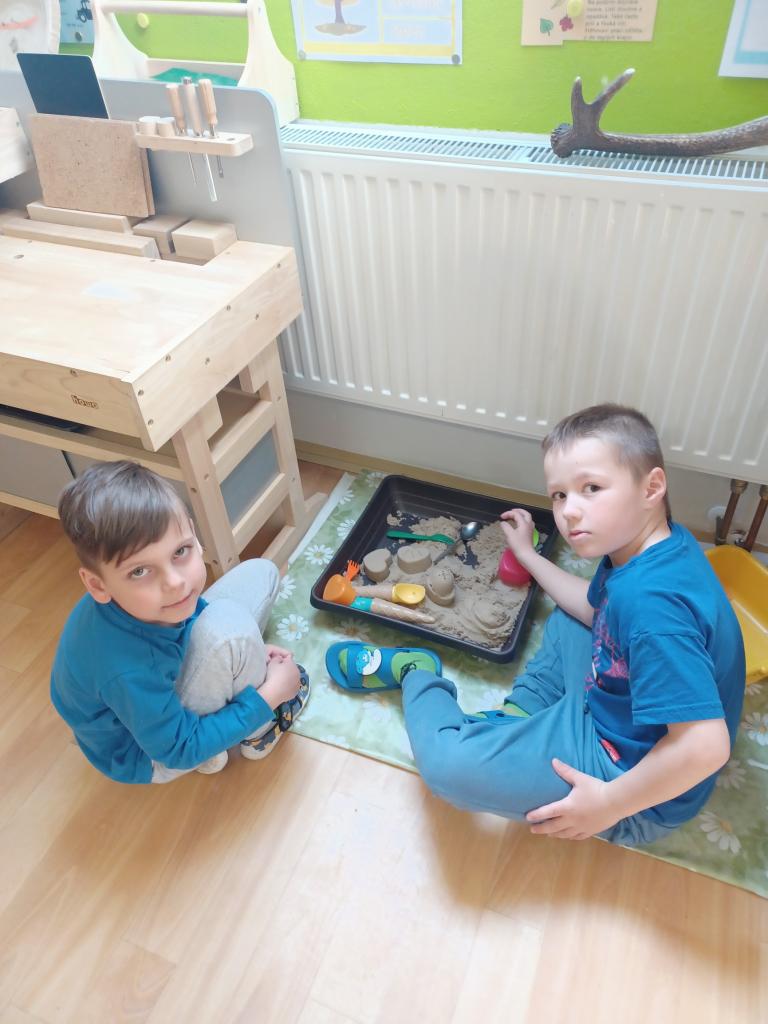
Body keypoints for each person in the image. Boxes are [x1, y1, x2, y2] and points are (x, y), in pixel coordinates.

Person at [331, 404, 746, 845]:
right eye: (560, 495)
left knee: (447, 767)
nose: (569, 512)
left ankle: (416, 671)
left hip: (627, 776)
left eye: (591, 488)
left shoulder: (650, 607)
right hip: (614, 702)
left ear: (652, 487)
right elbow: (596, 612)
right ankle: (522, 714)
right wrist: (528, 556)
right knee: (571, 615)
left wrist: (609, 803)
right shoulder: (652, 545)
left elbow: (706, 747)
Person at [51, 460, 309, 784]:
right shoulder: (124, 669)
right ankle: (260, 730)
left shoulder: (138, 602)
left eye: (181, 551)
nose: (175, 582)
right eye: (139, 571)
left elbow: (191, 612)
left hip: (150, 698)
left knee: (262, 572)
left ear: (193, 534)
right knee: (230, 632)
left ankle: (232, 690)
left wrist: (252, 648)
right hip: (153, 754)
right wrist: (271, 693)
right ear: (97, 585)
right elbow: (178, 749)